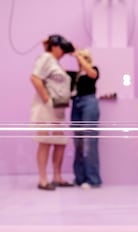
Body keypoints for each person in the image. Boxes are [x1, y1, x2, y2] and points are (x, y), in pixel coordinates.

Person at [30, 34, 75, 190]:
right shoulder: (46, 58)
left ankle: (57, 176)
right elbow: (35, 78)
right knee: (45, 143)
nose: (63, 52)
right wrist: (47, 100)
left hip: (58, 109)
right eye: (62, 48)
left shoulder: (55, 63)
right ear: (55, 46)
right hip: (46, 108)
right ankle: (43, 179)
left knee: (60, 143)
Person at [70, 49, 102, 189]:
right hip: (76, 104)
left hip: (89, 103)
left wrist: (79, 55)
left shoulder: (93, 70)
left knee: (90, 141)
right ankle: (80, 177)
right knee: (78, 142)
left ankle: (93, 179)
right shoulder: (76, 75)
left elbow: (92, 74)